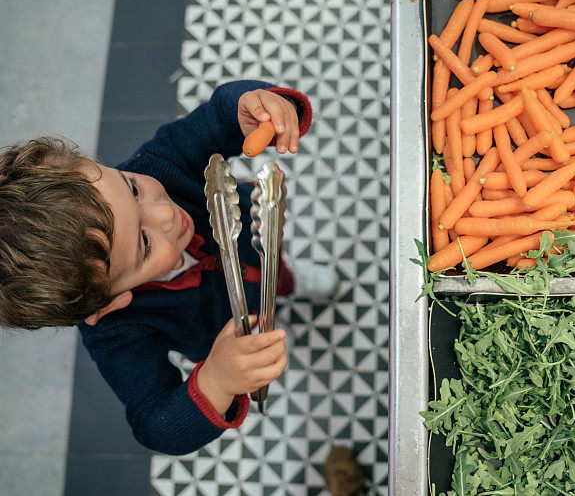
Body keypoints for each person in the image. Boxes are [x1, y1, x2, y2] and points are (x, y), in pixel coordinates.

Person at [0, 80, 338, 455]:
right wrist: (217, 381)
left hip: (255, 240)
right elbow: (153, 424)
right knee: (252, 332)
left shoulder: (155, 165)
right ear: (108, 303)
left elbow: (213, 121)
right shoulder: (117, 333)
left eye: (131, 189)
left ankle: (289, 282)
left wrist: (249, 108)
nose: (164, 212)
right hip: (219, 329)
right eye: (144, 243)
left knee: (275, 270)